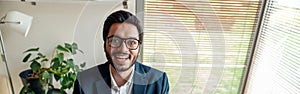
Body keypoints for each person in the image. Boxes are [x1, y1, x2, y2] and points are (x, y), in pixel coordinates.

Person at [73, 10, 169, 94]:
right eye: (115, 40)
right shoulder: (84, 81)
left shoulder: (158, 82)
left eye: (131, 42)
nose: (123, 49)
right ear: (105, 44)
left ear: (139, 47)